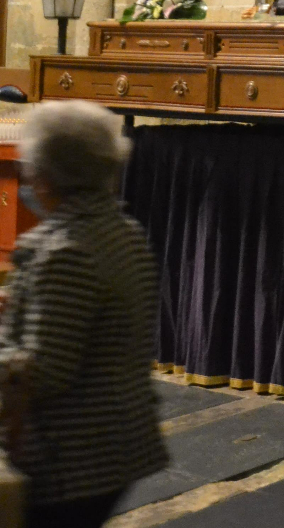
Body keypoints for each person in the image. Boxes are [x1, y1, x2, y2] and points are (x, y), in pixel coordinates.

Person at [0, 101, 166, 526]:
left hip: (70, 458)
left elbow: (43, 372)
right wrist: (21, 308)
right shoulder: (119, 229)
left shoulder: (66, 249)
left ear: (47, 174)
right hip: (114, 447)